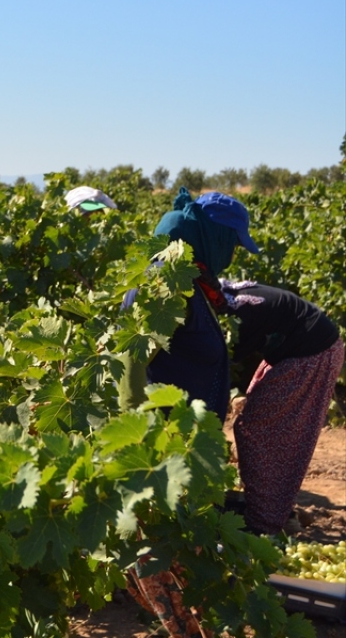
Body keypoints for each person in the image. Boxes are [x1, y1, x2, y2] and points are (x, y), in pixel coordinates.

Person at [117, 188, 260, 638]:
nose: (233, 254)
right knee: (167, 561)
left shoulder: (190, 279)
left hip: (189, 450)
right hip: (163, 453)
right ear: (210, 236)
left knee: (184, 559)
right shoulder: (162, 283)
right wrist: (143, 451)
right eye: (231, 243)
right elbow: (132, 368)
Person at [119, 189, 260, 421]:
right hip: (164, 440)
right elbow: (132, 360)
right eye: (234, 247)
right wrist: (137, 434)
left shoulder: (190, 279)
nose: (232, 257)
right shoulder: (170, 282)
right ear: (217, 238)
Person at [220, 280, 343, 535]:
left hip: (311, 353)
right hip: (293, 349)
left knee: (258, 431)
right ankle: (274, 511)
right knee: (259, 428)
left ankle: (267, 521)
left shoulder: (230, 317)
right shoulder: (223, 299)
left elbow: (215, 368)